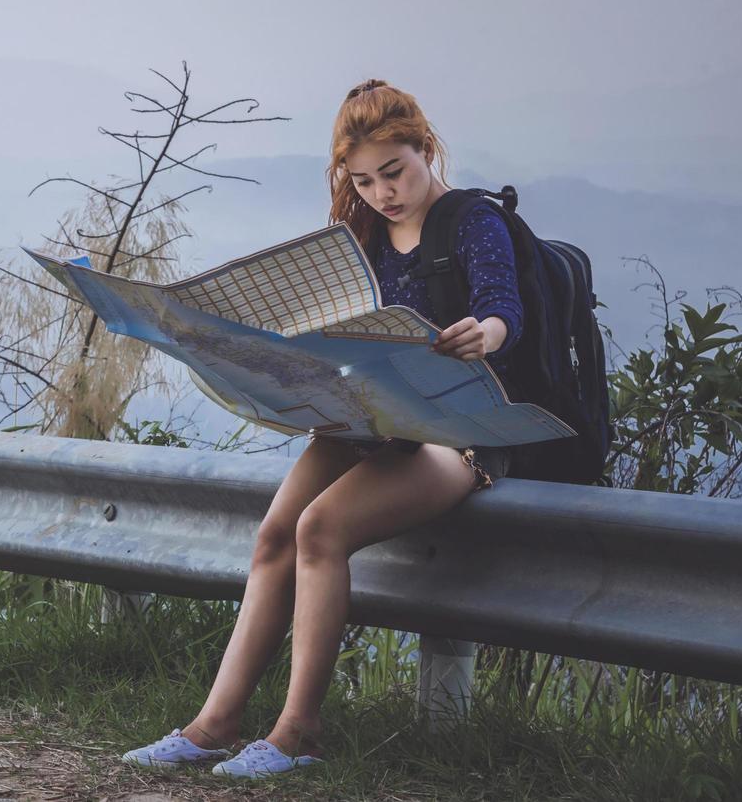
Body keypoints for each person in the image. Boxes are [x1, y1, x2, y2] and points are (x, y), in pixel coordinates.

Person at [120, 79, 522, 780]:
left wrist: (479, 336)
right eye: (362, 180)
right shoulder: (361, 231)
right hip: (367, 420)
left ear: (424, 149)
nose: (381, 193)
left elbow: (503, 310)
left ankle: (298, 730)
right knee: (274, 533)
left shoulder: (470, 221)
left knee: (319, 530)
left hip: (455, 433)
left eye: (393, 172)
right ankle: (212, 725)